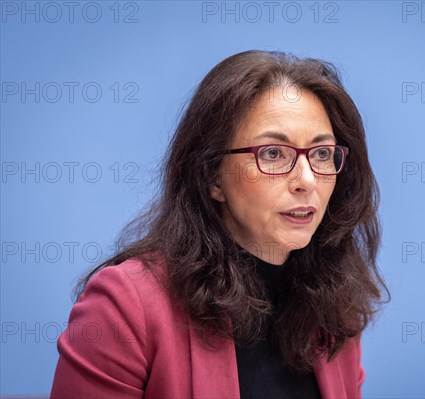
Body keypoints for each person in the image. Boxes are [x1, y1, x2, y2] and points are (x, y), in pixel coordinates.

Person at [50, 50, 388, 399]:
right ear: (212, 176)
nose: (306, 180)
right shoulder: (125, 305)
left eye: (321, 154)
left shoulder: (333, 308)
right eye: (273, 153)